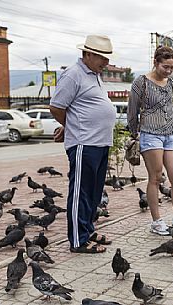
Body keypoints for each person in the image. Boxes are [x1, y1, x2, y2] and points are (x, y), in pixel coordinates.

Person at [50, 34, 116, 253]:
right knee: (81, 192)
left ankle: (87, 230)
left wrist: (70, 124)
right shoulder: (73, 74)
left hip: (100, 143)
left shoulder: (94, 74)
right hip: (84, 144)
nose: (106, 62)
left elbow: (82, 108)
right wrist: (72, 127)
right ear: (87, 54)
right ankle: (78, 241)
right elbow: (57, 107)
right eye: (102, 58)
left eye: (107, 58)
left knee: (94, 192)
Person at [127, 46, 173, 236]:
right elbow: (132, 109)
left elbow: (167, 105)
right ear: (155, 62)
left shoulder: (169, 82)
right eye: (165, 67)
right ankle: (156, 221)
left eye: (172, 67)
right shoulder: (141, 82)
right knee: (155, 177)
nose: (168, 71)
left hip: (169, 135)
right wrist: (134, 132)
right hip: (149, 133)